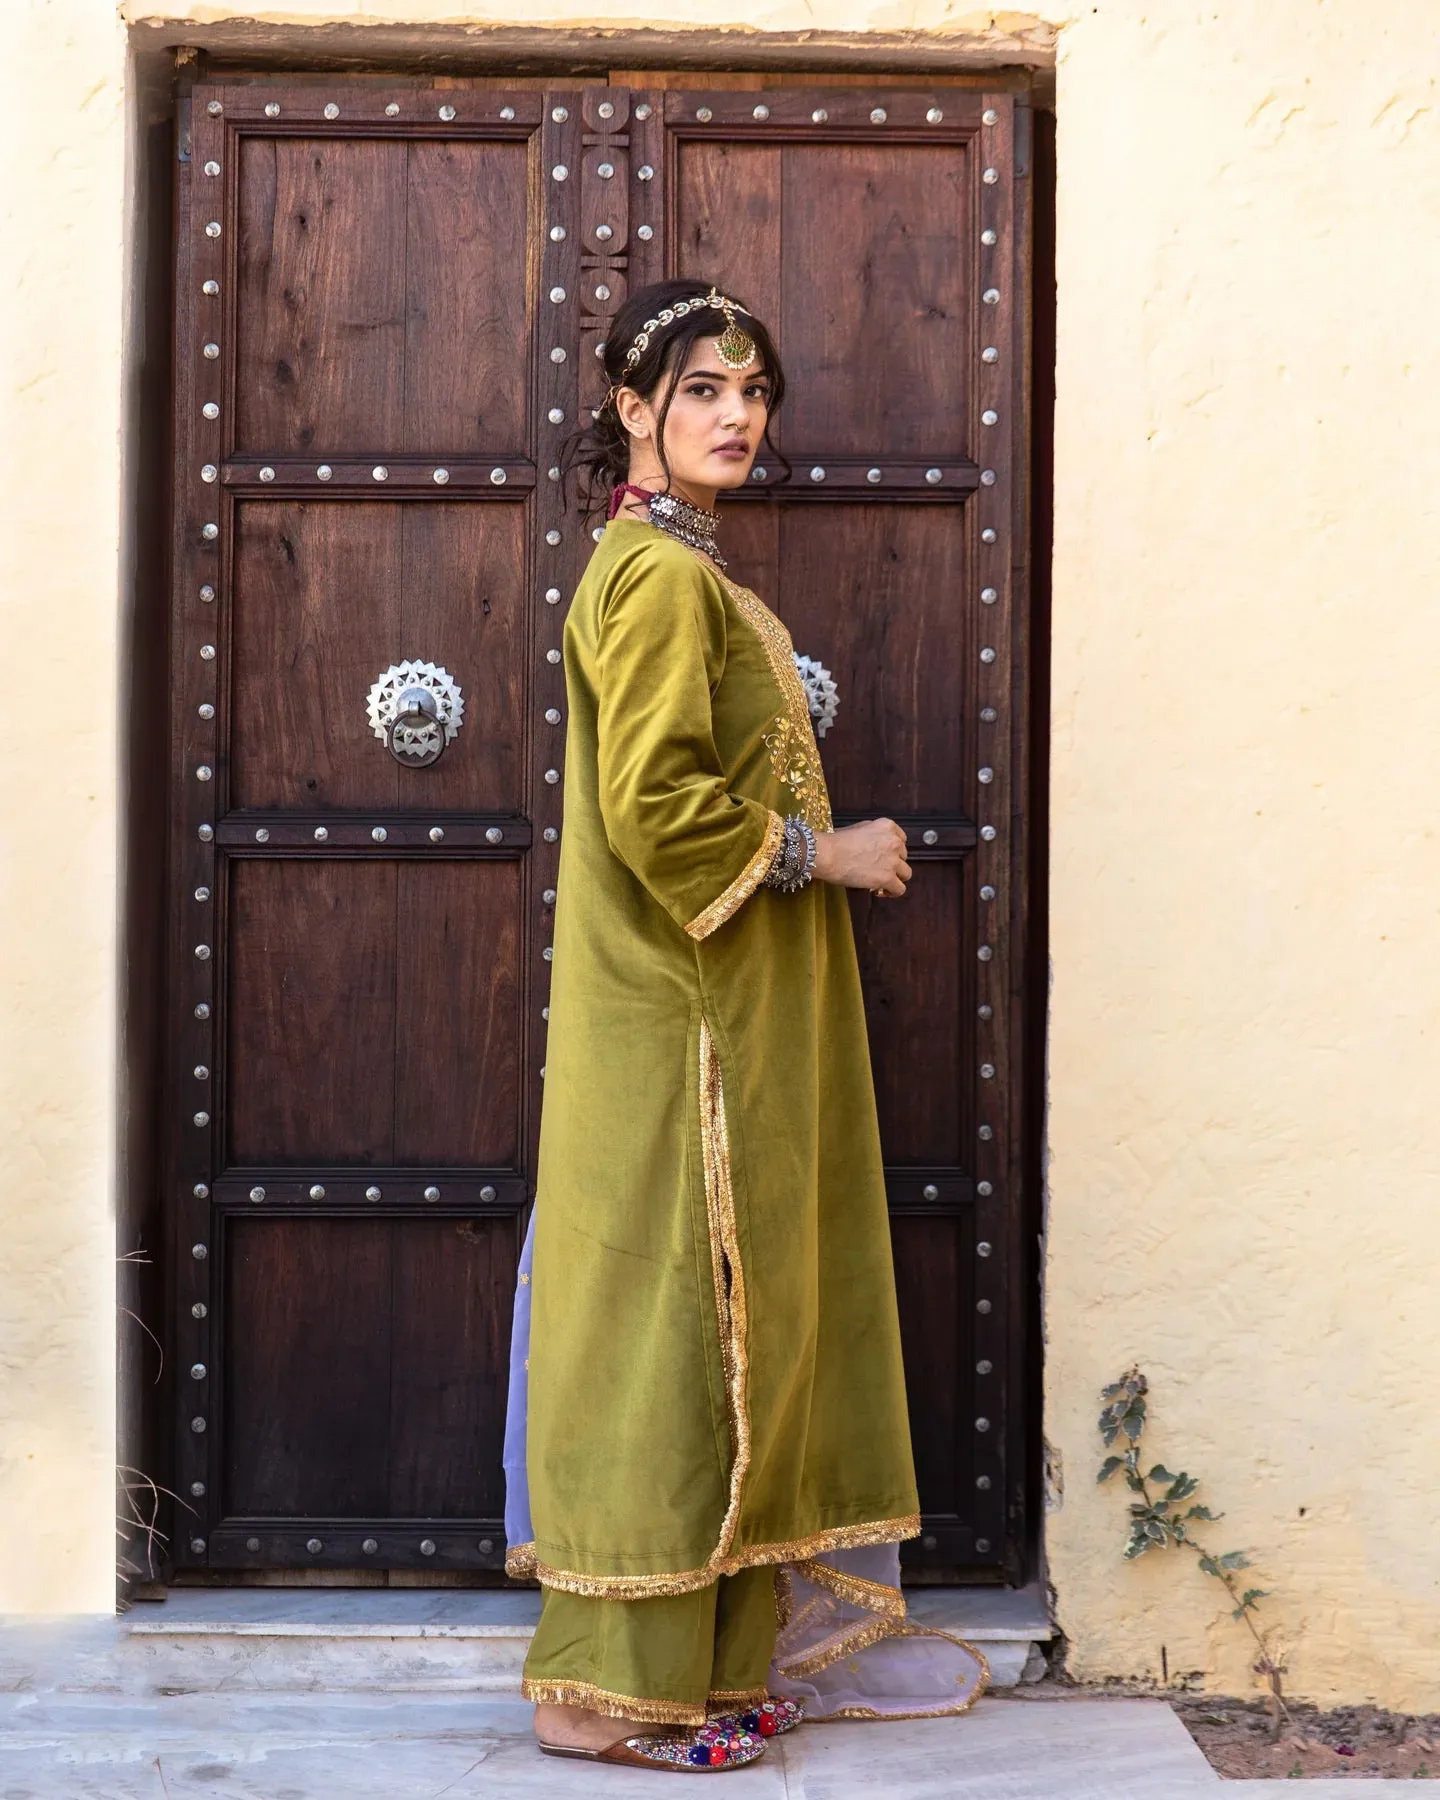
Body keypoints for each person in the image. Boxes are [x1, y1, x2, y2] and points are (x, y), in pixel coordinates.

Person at [503, 278, 988, 1771]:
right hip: (684, 1025)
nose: (737, 417)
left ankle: (693, 1672)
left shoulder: (683, 569)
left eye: (755, 392)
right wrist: (824, 853)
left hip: (719, 1011)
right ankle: (596, 1696)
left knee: (718, 1325)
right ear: (632, 408)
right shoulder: (651, 578)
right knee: (671, 1329)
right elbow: (655, 807)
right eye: (703, 388)